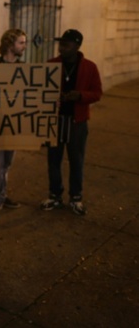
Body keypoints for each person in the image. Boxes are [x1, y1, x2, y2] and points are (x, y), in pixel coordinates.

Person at [41, 29, 102, 215]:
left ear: (77, 46)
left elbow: (97, 93)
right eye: (61, 44)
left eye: (66, 45)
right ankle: (55, 195)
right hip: (56, 120)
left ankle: (76, 197)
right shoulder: (52, 64)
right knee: (54, 159)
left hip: (77, 121)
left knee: (76, 160)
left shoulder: (89, 67)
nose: (61, 48)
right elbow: (40, 89)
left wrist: (80, 95)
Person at [0, 29, 27, 216]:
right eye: (21, 43)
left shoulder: (25, 69)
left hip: (14, 125)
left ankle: (1, 194)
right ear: (10, 45)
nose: (24, 46)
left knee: (6, 164)